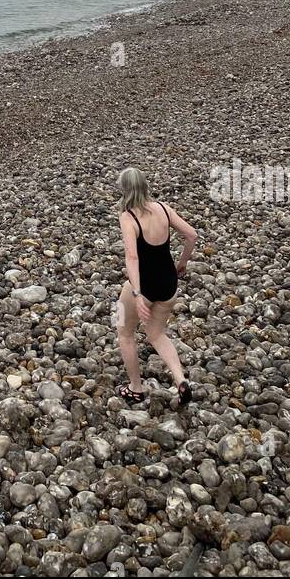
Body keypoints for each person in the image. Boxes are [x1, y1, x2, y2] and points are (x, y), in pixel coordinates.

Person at [115, 165, 197, 405]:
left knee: (124, 332)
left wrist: (138, 294)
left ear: (124, 190)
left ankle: (135, 388)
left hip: (145, 286)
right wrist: (182, 263)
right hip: (168, 283)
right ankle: (180, 379)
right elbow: (192, 235)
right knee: (156, 334)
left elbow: (132, 257)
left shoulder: (128, 217)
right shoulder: (163, 208)